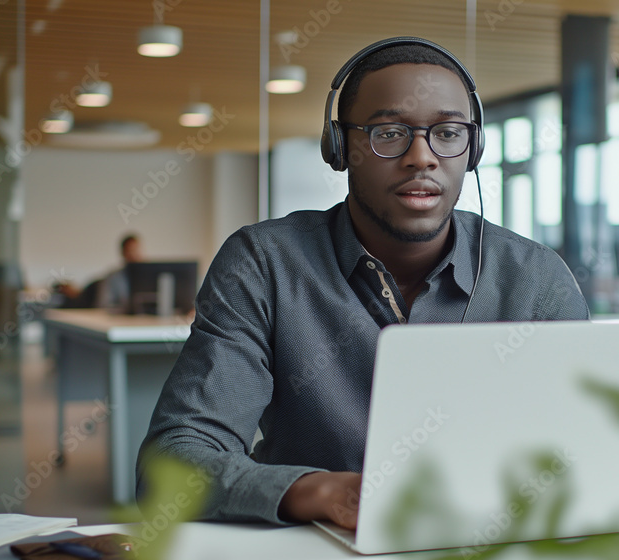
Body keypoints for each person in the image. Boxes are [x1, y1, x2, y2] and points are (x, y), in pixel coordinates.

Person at [137, 37, 588, 530]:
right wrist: (321, 491)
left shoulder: (535, 278)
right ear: (339, 148)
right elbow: (172, 465)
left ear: (473, 148)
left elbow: (591, 448)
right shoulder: (265, 264)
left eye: (449, 132)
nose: (422, 157)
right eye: (389, 132)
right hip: (312, 544)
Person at [96, 233, 142, 310]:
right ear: (123, 253)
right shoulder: (113, 277)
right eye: (130, 251)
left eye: (136, 250)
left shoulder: (149, 276)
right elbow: (103, 305)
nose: (133, 255)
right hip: (120, 318)